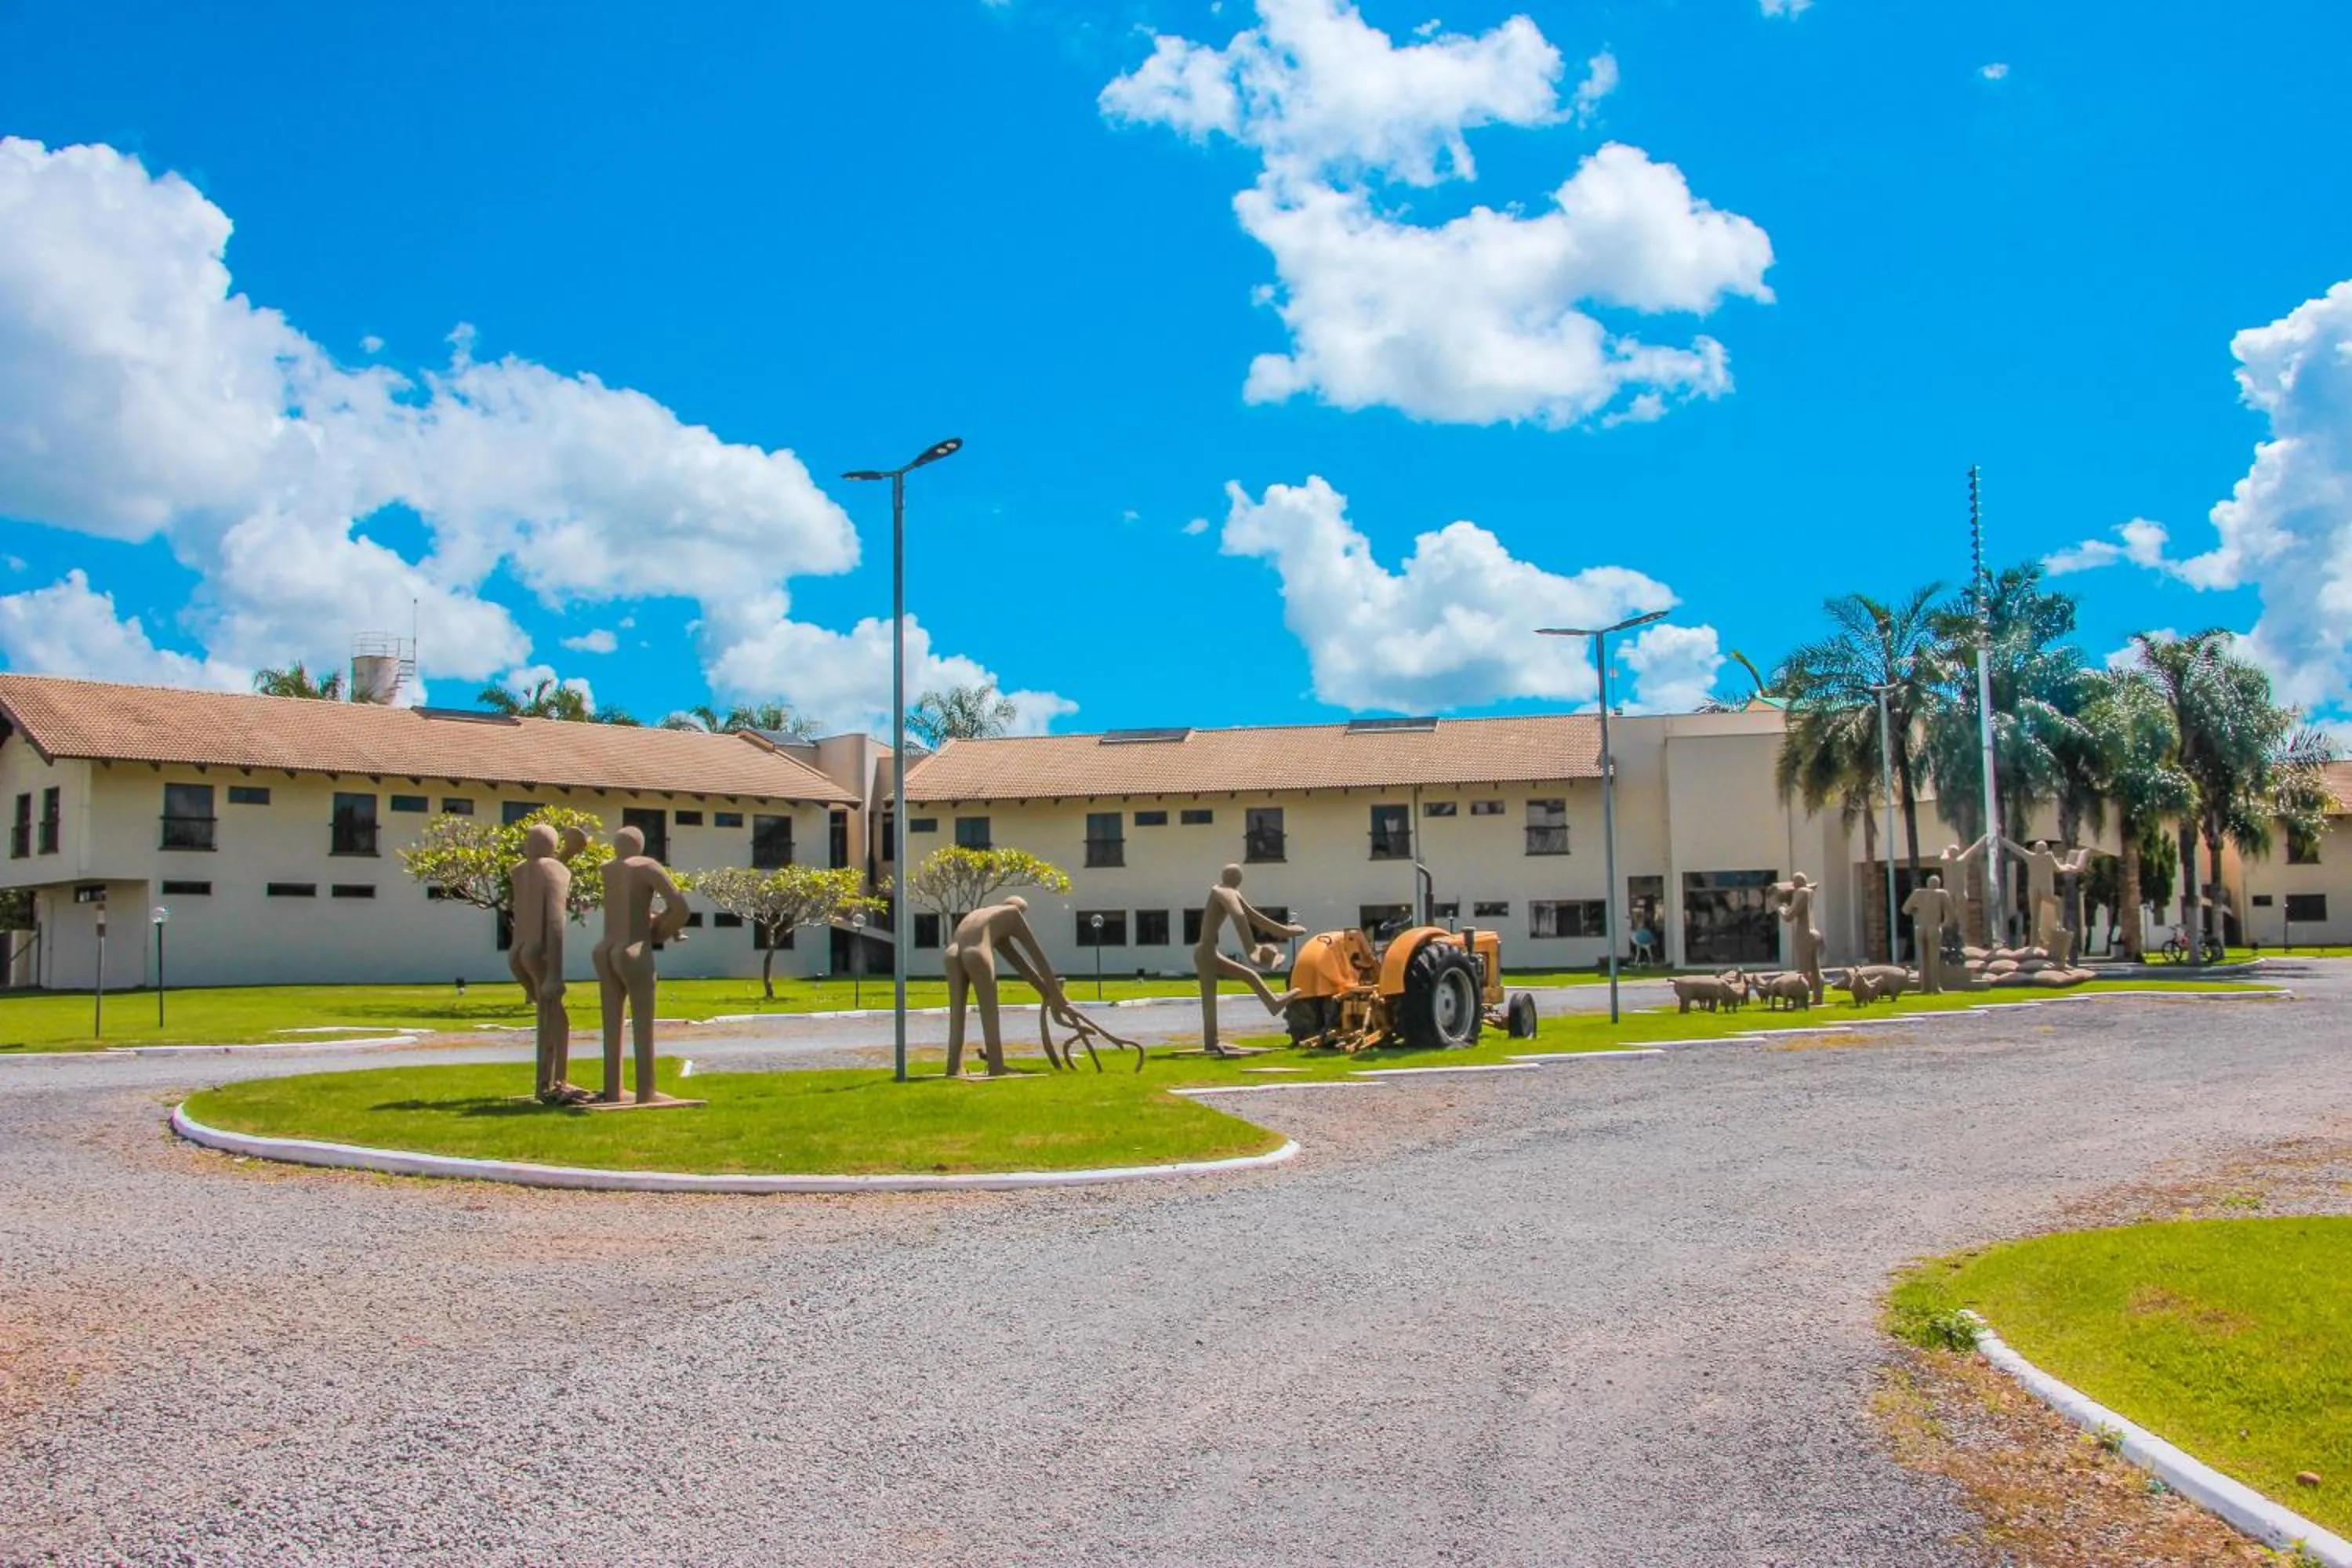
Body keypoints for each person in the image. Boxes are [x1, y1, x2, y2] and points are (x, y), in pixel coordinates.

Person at [591, 826, 691, 1105]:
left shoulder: (609, 870)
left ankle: (613, 1090)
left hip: (605, 949)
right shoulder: (647, 866)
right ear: (640, 845)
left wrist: (650, 918)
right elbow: (680, 908)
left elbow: (627, 906)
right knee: (643, 1025)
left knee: (612, 1024)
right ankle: (646, 1093)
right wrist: (658, 931)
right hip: (634, 948)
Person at [510, 823, 590, 1102]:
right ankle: (552, 1084)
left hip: (518, 952)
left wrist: (569, 853)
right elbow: (555, 921)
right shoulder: (556, 870)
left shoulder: (520, 870)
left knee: (551, 1016)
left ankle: (547, 1083)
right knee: (554, 1017)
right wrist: (555, 972)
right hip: (539, 950)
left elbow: (546, 870)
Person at [1193, 864, 1306, 1056]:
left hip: (1209, 952)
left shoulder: (1231, 892)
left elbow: (1255, 918)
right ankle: (1211, 1043)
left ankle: (1272, 1003)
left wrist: (1286, 931)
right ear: (1235, 878)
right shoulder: (1221, 891)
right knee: (1210, 998)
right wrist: (1251, 949)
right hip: (1205, 953)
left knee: (1249, 975)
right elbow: (1238, 916)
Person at [1770, 871, 1824, 1005]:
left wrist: (1779, 907)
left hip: (1804, 934)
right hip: (1813, 933)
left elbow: (1789, 916)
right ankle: (1818, 998)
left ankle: (1801, 998)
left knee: (1803, 970)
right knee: (1815, 969)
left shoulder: (1801, 892)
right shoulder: (1808, 891)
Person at [1900, 873, 1960, 994]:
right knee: (1934, 958)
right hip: (1934, 927)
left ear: (1928, 883)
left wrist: (1916, 911)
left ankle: (1924, 987)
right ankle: (1935, 986)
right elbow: (1951, 914)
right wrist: (1944, 925)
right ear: (1938, 884)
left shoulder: (1918, 893)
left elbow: (1905, 910)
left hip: (1920, 928)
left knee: (1922, 959)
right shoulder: (1942, 894)